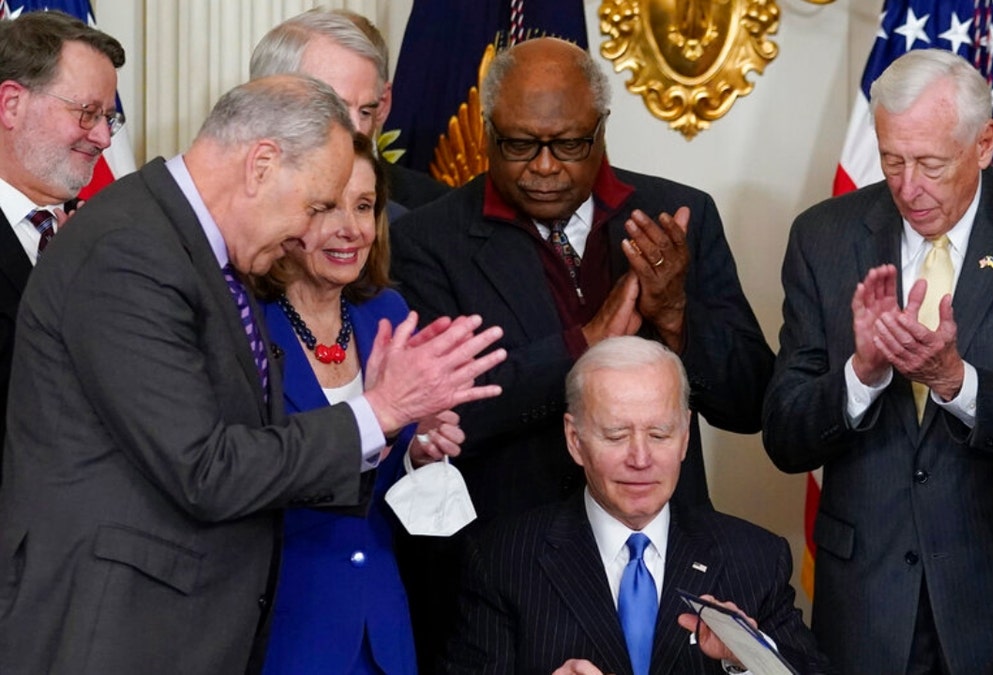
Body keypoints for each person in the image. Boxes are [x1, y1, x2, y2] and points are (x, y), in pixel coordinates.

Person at [0, 75, 505, 674]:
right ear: (262, 164)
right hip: (115, 633)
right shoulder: (131, 250)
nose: (306, 232)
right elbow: (205, 469)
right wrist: (380, 411)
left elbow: (247, 446)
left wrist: (394, 430)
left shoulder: (193, 251)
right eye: (315, 205)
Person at [761, 48, 993, 674]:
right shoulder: (823, 237)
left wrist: (955, 381)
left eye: (930, 164)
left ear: (984, 143)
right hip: (865, 596)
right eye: (892, 161)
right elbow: (784, 436)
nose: (907, 188)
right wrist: (860, 376)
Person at [392, 36, 772, 521]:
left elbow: (750, 403)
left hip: (662, 548)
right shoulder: (429, 240)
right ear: (488, 132)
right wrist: (585, 342)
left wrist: (675, 316)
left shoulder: (678, 218)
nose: (545, 166)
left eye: (569, 144)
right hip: (507, 558)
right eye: (521, 145)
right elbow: (445, 414)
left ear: (601, 131)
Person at [444, 336, 832, 674]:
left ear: (684, 437)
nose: (640, 458)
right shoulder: (502, 559)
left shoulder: (755, 558)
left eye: (660, 434)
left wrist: (750, 660)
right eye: (616, 435)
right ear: (574, 439)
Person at [255, 135, 453, 673]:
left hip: (382, 627)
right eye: (326, 208)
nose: (351, 228)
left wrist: (423, 454)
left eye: (364, 206)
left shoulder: (387, 311)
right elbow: (243, 474)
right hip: (282, 628)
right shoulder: (244, 319)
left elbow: (389, 488)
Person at [0, 10, 124, 484]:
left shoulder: (110, 235)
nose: (103, 137)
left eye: (108, 118)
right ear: (12, 104)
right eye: (87, 114)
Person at [249, 9, 449, 212]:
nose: (356, 130)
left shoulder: (431, 212)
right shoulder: (232, 205)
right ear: (272, 106)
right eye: (336, 109)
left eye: (365, 112)